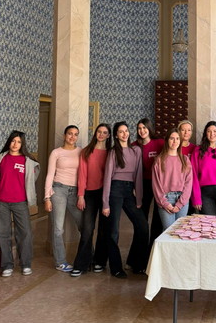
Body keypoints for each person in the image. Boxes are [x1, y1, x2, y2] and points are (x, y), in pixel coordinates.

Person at [102, 122, 148, 278]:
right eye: (121, 132)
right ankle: (116, 268)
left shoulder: (136, 150)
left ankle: (138, 264)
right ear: (116, 135)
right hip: (115, 189)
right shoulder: (113, 152)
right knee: (113, 230)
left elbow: (138, 175)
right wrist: (105, 203)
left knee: (142, 226)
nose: (124, 134)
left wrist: (139, 198)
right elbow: (107, 177)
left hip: (130, 191)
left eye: (126, 131)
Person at [0, 131, 39, 277]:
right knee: (2, 233)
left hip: (20, 202)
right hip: (1, 202)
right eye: (13, 141)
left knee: (25, 233)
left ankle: (25, 264)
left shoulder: (27, 161)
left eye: (19, 142)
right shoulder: (0, 158)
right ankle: (7, 265)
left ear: (22, 144)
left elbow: (33, 178)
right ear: (9, 142)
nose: (15, 144)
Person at [70, 124, 111, 277]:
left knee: (104, 229)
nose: (101, 134)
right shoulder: (86, 151)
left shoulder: (111, 152)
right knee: (87, 229)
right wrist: (81, 195)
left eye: (105, 132)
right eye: (99, 132)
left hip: (106, 194)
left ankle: (99, 261)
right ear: (95, 133)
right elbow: (82, 175)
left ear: (108, 135)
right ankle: (82, 264)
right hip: (90, 194)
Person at [44, 125, 82, 272]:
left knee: (84, 225)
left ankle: (87, 257)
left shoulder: (81, 152)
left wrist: (82, 194)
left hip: (76, 192)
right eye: (70, 134)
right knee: (58, 228)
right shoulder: (56, 152)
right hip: (59, 190)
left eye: (75, 134)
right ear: (65, 135)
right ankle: (60, 262)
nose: (72, 137)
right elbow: (50, 175)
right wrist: (47, 197)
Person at [132, 118, 164, 251]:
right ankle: (139, 253)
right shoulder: (134, 146)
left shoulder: (159, 143)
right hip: (142, 184)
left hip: (158, 184)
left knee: (157, 219)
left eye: (144, 128)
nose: (142, 131)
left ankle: (152, 252)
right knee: (141, 219)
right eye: (139, 128)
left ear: (149, 128)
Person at [152, 128, 193, 230]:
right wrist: (165, 203)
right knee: (168, 231)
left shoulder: (185, 159)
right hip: (166, 198)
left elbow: (188, 183)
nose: (175, 141)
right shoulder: (159, 160)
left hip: (182, 199)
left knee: (180, 231)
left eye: (177, 138)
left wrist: (180, 204)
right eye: (172, 138)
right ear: (167, 141)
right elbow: (156, 185)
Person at [191, 121, 216, 216]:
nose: (212, 134)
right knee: (210, 221)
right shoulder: (198, 151)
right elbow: (193, 175)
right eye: (209, 131)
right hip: (205, 193)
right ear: (205, 133)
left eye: (215, 131)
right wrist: (196, 198)